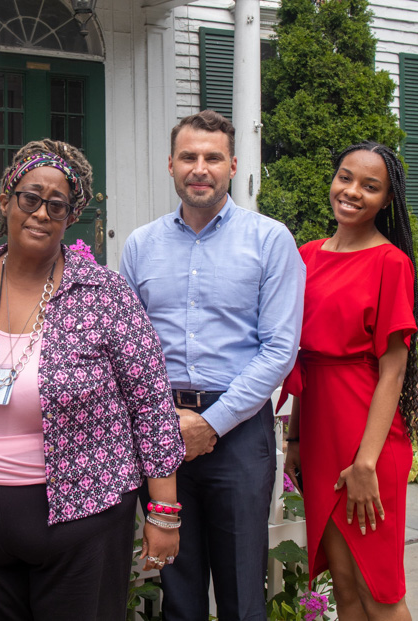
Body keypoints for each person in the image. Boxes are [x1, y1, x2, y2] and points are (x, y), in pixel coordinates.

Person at [0, 139, 185, 621]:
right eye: (30, 197)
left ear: (71, 218)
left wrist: (164, 513)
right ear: (5, 200)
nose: (41, 213)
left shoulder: (104, 293)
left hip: (82, 521)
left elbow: (151, 405)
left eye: (58, 204)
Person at [120, 110, 305, 621]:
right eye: (189, 157)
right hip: (161, 429)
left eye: (212, 158)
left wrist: (210, 423)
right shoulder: (140, 246)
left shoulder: (270, 241)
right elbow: (129, 347)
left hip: (239, 432)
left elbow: (278, 350)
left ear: (232, 166)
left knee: (243, 590)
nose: (199, 168)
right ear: (171, 165)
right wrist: (165, 420)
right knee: (176, 587)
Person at [281, 141, 418, 621]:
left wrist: (366, 462)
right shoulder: (307, 256)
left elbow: (394, 369)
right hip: (321, 434)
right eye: (346, 177)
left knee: (378, 587)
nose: (353, 191)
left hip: (368, 437)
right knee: (343, 584)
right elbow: (305, 359)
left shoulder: (390, 263)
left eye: (371, 186)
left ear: (387, 200)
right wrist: (296, 435)